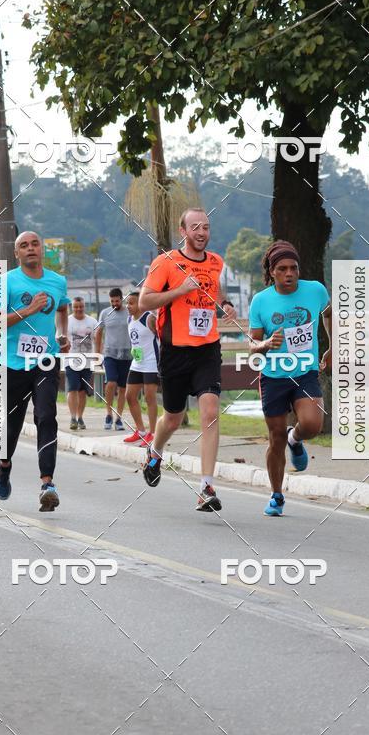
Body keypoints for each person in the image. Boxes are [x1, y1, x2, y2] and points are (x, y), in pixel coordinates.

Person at [139, 208, 238, 511]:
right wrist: (180, 290)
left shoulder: (216, 262)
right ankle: (155, 452)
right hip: (174, 351)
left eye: (206, 227)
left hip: (207, 348)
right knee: (174, 417)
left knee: (210, 412)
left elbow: (215, 291)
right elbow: (145, 301)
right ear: (183, 232)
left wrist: (227, 304)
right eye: (195, 227)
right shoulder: (166, 263)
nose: (201, 232)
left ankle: (206, 486)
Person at [248, 240, 332, 516]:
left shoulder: (315, 290)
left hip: (305, 370)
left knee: (312, 423)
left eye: (293, 268)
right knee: (275, 438)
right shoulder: (261, 300)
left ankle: (295, 439)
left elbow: (329, 314)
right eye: (282, 269)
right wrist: (265, 344)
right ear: (272, 272)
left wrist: (333, 346)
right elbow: (252, 343)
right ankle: (276, 495)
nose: (289, 273)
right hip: (273, 375)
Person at [0, 231, 69, 512]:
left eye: (34, 244)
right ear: (17, 254)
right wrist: (28, 310)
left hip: (45, 361)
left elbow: (62, 308)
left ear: (42, 249)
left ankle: (47, 483)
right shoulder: (6, 282)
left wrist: (63, 334)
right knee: (12, 425)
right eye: (23, 246)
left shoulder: (57, 281)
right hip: (13, 363)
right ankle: (4, 465)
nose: (30, 249)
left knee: (47, 415)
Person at [123, 291, 159, 447]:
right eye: (127, 303)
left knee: (150, 397)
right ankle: (141, 431)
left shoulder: (149, 318)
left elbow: (161, 337)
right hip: (137, 363)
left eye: (131, 303)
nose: (128, 306)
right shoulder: (129, 319)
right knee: (129, 396)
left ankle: (153, 433)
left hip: (151, 363)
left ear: (140, 303)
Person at [94, 288, 131, 431]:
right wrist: (97, 353)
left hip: (127, 354)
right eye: (112, 301)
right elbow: (98, 333)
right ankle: (108, 413)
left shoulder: (129, 312)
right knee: (111, 382)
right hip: (109, 353)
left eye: (117, 301)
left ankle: (118, 418)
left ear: (122, 299)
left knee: (123, 387)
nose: (115, 303)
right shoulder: (105, 313)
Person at [66, 296, 97, 430]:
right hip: (71, 360)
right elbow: (59, 338)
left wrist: (97, 356)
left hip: (87, 360)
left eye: (81, 307)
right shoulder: (67, 321)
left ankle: (80, 417)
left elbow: (97, 339)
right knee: (73, 388)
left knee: (82, 391)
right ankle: (73, 417)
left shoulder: (92, 321)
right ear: (72, 308)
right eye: (76, 307)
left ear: (85, 307)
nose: (78, 309)